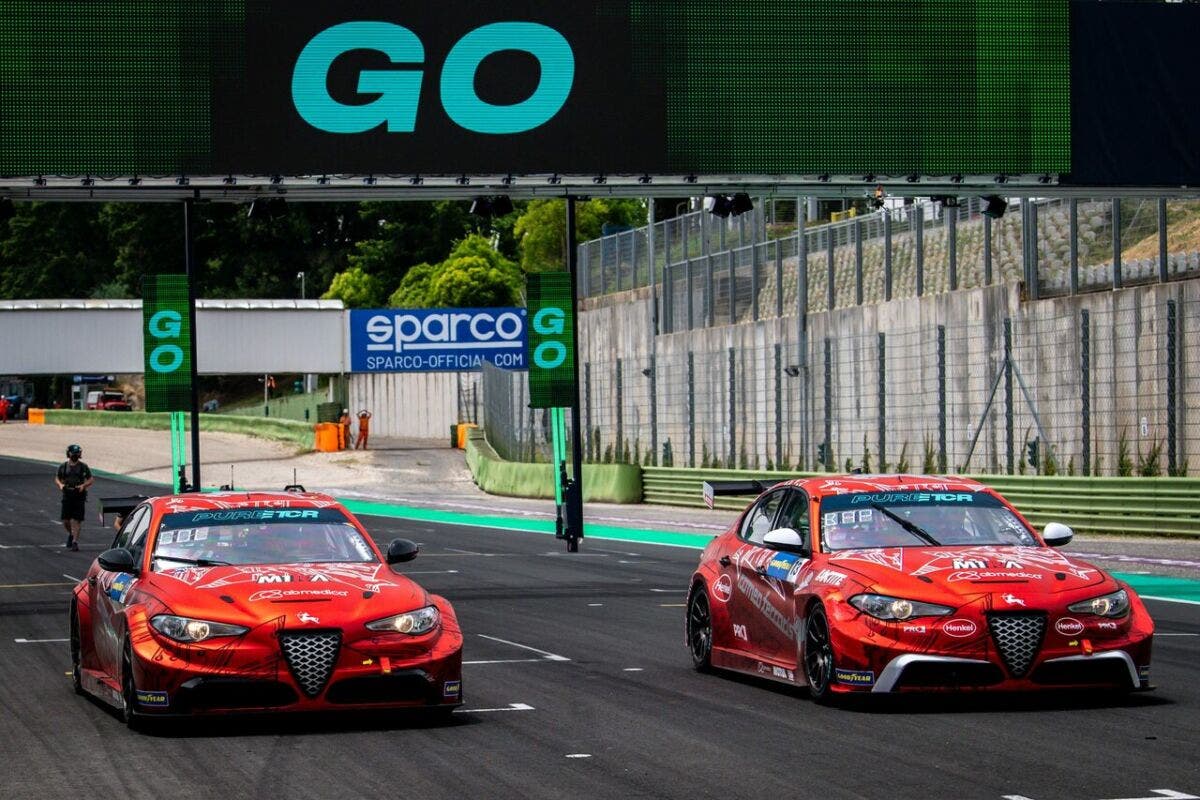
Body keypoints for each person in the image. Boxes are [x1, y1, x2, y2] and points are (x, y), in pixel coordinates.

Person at [56, 444, 94, 551]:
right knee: (65, 520)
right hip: (67, 494)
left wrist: (83, 486)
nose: (76, 455)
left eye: (78, 453)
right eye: (74, 453)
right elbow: (57, 478)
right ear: (69, 454)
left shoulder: (83, 466)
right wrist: (60, 485)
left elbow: (91, 479)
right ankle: (71, 534)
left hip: (79, 494)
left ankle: (75, 542)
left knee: (77, 520)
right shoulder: (63, 467)